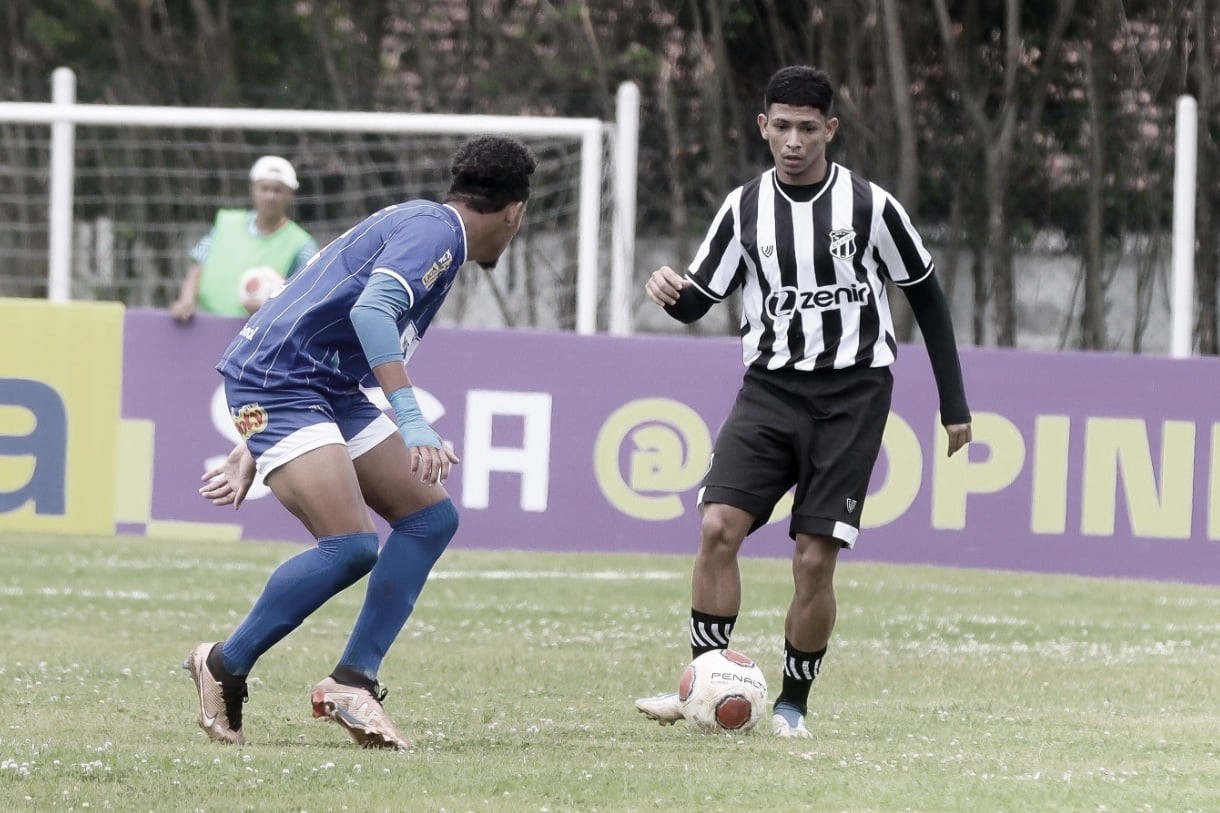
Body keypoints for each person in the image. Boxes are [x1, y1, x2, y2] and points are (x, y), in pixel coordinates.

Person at [634, 66, 972, 738]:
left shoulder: (872, 208)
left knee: (814, 557)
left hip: (853, 393)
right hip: (769, 389)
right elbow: (703, 296)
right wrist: (672, 290)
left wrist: (953, 402)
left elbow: (927, 294)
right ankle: (705, 683)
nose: (793, 141)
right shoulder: (743, 209)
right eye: (780, 126)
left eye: (807, 128)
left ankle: (792, 703)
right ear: (763, 126)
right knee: (716, 527)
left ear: (831, 130)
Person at [183, 136, 538, 750]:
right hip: (282, 383)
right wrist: (414, 422)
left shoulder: (425, 226)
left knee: (430, 518)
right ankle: (224, 663)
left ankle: (353, 681)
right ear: (515, 212)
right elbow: (372, 314)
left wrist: (252, 448)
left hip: (318, 383)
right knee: (350, 546)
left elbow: (316, 301)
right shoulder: (436, 233)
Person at [170, 155, 318, 322]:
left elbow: (310, 293)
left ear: (290, 194)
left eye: (277, 190)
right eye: (265, 188)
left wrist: (274, 306)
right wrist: (186, 301)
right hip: (209, 325)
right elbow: (198, 266)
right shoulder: (226, 223)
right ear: (253, 189)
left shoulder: (302, 244)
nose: (270, 196)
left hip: (261, 336)